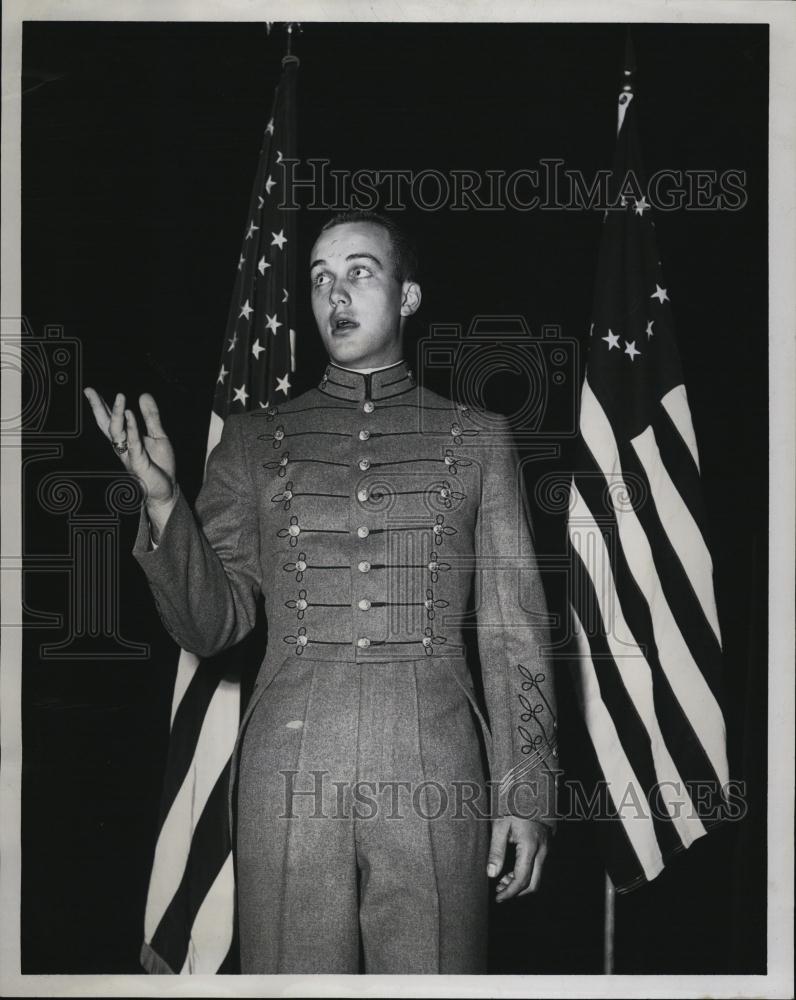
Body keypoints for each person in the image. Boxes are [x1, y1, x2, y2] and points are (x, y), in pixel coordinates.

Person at [84, 209, 559, 974]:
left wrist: (526, 794)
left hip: (437, 770)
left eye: (360, 272)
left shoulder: (478, 437)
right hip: (287, 770)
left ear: (407, 297)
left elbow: (515, 634)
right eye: (319, 279)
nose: (336, 293)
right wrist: (165, 504)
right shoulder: (253, 438)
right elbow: (213, 627)